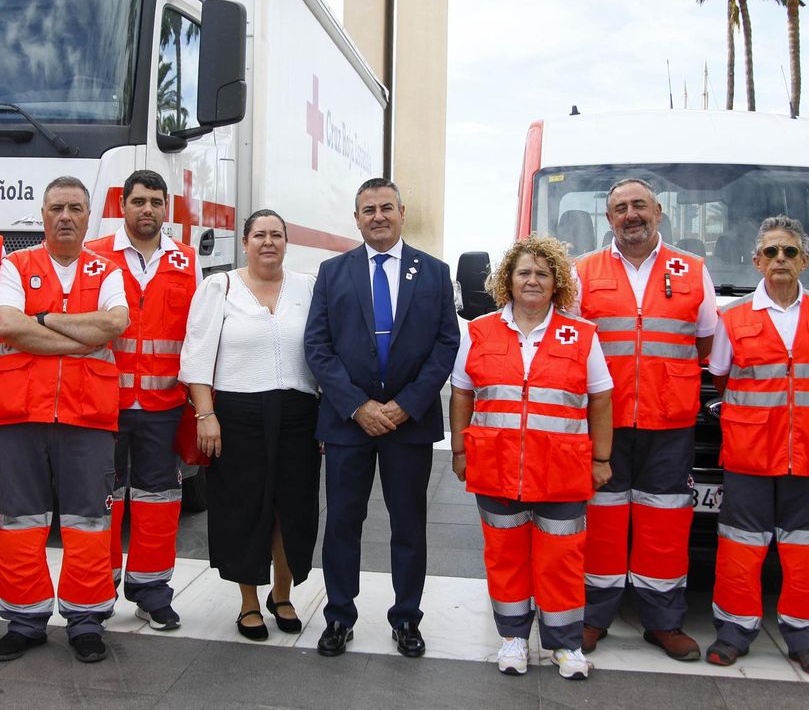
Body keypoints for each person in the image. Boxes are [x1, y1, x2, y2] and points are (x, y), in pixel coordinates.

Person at [304, 177, 460, 658]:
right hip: (349, 423)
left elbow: (445, 346)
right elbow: (317, 346)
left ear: (402, 212)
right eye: (368, 209)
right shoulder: (332, 272)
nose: (378, 216)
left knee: (408, 525)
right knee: (342, 524)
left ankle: (407, 618)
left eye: (386, 207)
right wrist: (358, 406)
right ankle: (338, 617)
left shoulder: (433, 273)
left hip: (408, 425)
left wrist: (405, 405)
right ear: (356, 218)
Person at [449, 236, 613, 680]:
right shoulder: (480, 330)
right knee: (505, 556)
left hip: (561, 470)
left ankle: (564, 645)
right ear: (508, 280)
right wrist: (460, 449)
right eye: (524, 272)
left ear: (557, 281)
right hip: (496, 467)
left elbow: (601, 398)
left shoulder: (580, 334)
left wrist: (601, 458)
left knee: (561, 559)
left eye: (543, 272)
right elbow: (462, 393)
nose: (533, 280)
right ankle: (514, 638)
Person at [704, 216, 809, 676]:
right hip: (751, 453)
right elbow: (720, 375)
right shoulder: (732, 319)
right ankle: (732, 634)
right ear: (756, 262)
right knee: (739, 546)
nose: (780, 260)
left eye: (789, 252)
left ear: (804, 260)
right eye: (770, 252)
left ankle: (807, 640)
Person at [0, 177, 130, 663]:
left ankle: (86, 620)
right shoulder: (14, 264)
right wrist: (81, 339)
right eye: (56, 208)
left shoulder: (108, 269)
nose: (65, 216)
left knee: (88, 521)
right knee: (20, 521)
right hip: (22, 412)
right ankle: (25, 620)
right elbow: (7, 324)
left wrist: (41, 321)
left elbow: (115, 324)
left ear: (89, 217)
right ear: (42, 215)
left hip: (88, 414)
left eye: (75, 208)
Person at [573, 178, 716, 661]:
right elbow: (572, 344)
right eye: (619, 208)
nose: (630, 215)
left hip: (669, 424)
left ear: (658, 211)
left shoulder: (693, 270)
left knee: (665, 524)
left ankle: (663, 622)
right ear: (608, 218)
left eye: (639, 206)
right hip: (604, 423)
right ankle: (593, 617)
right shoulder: (583, 272)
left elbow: (704, 343)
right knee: (602, 522)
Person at [180, 210, 321, 640]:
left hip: (299, 415)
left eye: (276, 235)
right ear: (245, 242)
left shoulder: (309, 288)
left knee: (290, 509)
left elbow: (323, 353)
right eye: (259, 235)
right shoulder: (219, 287)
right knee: (245, 509)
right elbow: (197, 358)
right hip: (238, 415)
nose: (268, 243)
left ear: (285, 242)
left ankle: (282, 595)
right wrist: (206, 415)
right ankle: (248, 604)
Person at [85, 170, 200, 631]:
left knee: (160, 502)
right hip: (103, 405)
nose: (147, 209)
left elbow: (197, 335)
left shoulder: (187, 261)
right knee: (99, 502)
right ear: (122, 205)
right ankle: (96, 591)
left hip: (162, 407)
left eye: (156, 201)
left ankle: (153, 593)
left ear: (166, 209)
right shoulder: (95, 257)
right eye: (139, 201)